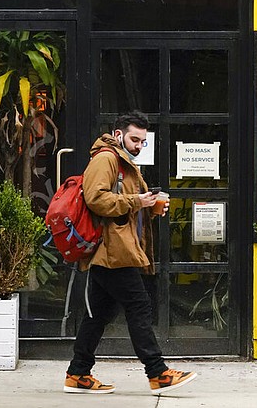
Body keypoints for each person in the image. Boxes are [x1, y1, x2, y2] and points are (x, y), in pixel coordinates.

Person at [64, 111, 197, 395]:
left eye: (142, 141)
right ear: (118, 135)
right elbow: (96, 199)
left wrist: (150, 207)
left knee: (99, 314)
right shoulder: (106, 159)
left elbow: (127, 205)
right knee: (139, 306)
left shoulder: (124, 162)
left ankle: (77, 373)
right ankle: (158, 373)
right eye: (134, 139)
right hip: (111, 251)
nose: (138, 145)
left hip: (115, 249)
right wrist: (137, 200)